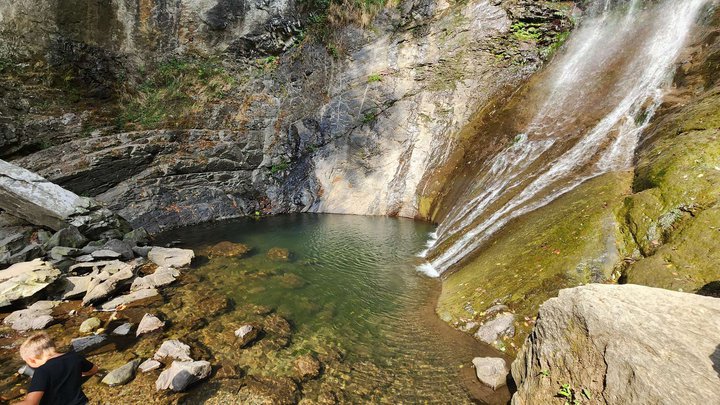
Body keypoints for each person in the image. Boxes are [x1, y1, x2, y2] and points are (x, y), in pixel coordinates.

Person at [15, 332, 98, 405]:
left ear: (32, 360)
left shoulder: (42, 371)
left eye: (27, 362)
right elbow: (93, 370)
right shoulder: (75, 357)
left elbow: (31, 403)